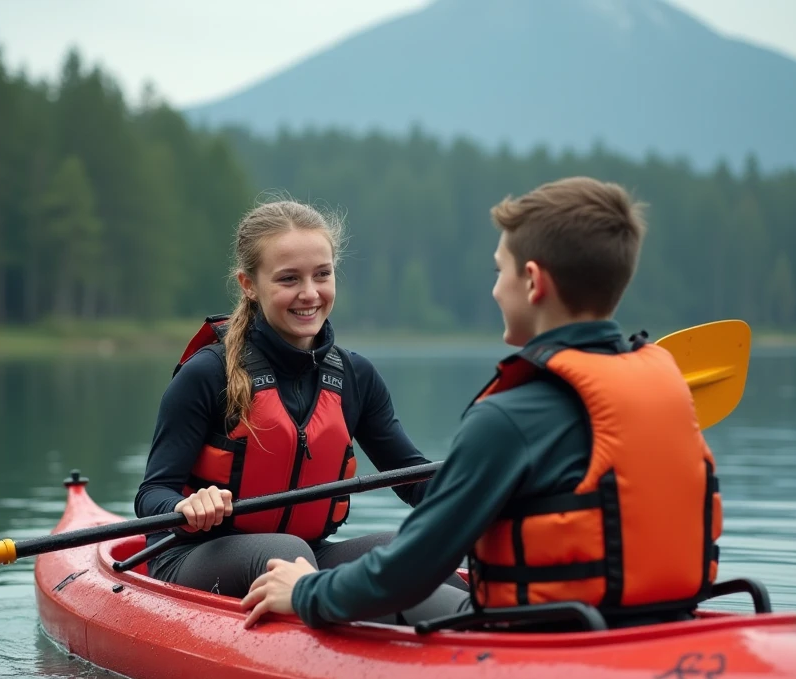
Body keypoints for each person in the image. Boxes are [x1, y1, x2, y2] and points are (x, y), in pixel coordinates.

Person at [241, 177, 723, 630]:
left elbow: (405, 574)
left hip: (542, 641)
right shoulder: (663, 385)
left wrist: (307, 591)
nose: (495, 288)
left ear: (532, 282)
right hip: (661, 622)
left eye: (500, 271)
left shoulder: (507, 418)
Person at [135, 197, 470, 621]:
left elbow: (415, 478)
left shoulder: (356, 377)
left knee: (414, 549)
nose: (309, 294)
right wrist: (186, 507)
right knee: (287, 552)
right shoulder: (207, 374)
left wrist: (480, 494)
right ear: (249, 285)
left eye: (322, 275)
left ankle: (476, 640)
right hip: (192, 556)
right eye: (289, 279)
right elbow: (151, 495)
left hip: (307, 557)